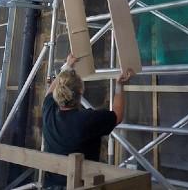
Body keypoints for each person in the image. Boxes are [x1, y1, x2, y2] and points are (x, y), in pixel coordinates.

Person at [42, 54, 134, 189]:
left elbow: (49, 94)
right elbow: (117, 115)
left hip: (50, 186)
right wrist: (119, 85)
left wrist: (67, 66)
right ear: (81, 90)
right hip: (80, 187)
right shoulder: (87, 120)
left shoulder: (49, 112)